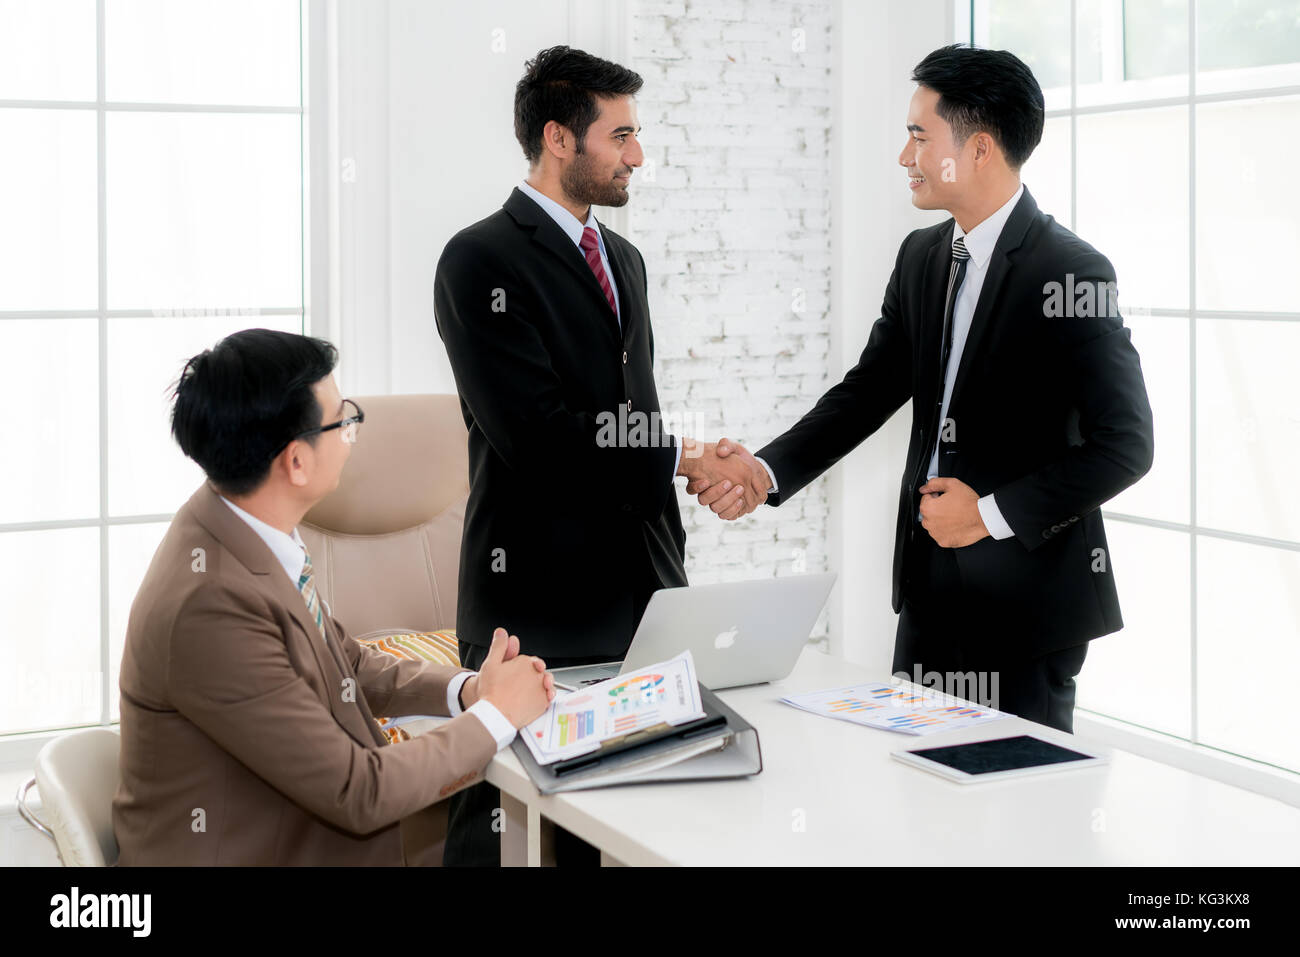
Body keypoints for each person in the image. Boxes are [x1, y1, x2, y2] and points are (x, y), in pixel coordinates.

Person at [691, 44, 1155, 733]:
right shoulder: (922, 257)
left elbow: (1127, 445)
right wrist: (765, 469)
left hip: (1030, 608)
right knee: (921, 808)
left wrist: (990, 512)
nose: (904, 156)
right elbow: (867, 391)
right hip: (927, 593)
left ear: (979, 150)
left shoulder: (1073, 271)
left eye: (918, 135)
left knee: (1015, 818)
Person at [433, 45, 752, 865]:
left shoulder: (626, 261)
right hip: (535, 603)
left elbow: (626, 414)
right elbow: (538, 437)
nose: (637, 154)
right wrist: (681, 456)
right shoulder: (478, 261)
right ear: (559, 138)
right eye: (622, 135)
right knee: (511, 835)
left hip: (642, 594)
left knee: (643, 825)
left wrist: (689, 469)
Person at [112, 329, 555, 865]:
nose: (352, 431)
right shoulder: (211, 606)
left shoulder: (240, 523)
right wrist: (497, 716)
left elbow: (346, 664)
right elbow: (359, 792)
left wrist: (469, 690)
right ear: (296, 462)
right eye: (343, 418)